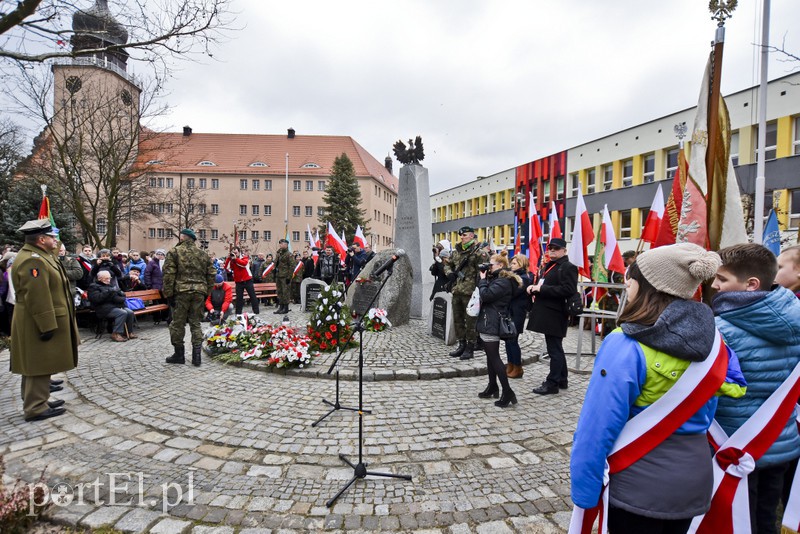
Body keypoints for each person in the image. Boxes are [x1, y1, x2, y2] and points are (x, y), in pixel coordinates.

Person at [571, 242, 746, 533]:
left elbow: (597, 426)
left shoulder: (624, 344)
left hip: (636, 482)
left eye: (633, 276)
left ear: (650, 286)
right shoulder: (715, 341)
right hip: (693, 479)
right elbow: (712, 403)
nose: (626, 281)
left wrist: (584, 494)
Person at [710, 243, 800, 534]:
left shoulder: (720, 329)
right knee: (765, 518)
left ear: (751, 284)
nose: (714, 285)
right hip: (781, 441)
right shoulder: (795, 318)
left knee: (736, 521)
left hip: (735, 447)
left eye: (722, 279)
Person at [10, 219, 79, 422]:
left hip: (39, 318)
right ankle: (35, 407)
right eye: (51, 237)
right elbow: (38, 297)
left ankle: (39, 400)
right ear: (41, 239)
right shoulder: (34, 260)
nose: (55, 240)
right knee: (38, 363)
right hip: (38, 320)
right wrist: (47, 324)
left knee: (39, 362)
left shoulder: (41, 256)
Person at [526, 237, 577, 394]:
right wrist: (534, 288)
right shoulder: (551, 265)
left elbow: (568, 289)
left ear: (564, 250)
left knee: (554, 349)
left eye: (556, 248)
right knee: (556, 348)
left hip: (556, 313)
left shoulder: (568, 267)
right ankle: (562, 379)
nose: (552, 250)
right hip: (547, 312)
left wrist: (542, 289)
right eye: (550, 248)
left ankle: (552, 383)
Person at [163, 228, 216, 366]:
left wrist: (168, 294)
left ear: (182, 238)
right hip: (199, 292)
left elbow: (169, 275)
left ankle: (179, 354)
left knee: (177, 324)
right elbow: (211, 275)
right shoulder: (203, 254)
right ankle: (196, 357)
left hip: (181, 292)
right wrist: (206, 292)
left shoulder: (174, 252)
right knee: (195, 323)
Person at [476, 251, 521, 408]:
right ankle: (492, 386)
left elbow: (486, 296)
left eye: (491, 264)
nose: (488, 267)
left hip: (492, 321)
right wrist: (483, 277)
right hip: (489, 320)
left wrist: (482, 280)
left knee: (494, 357)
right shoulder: (497, 279)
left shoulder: (502, 282)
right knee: (490, 357)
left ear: (500, 265)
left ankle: (507, 391)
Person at [444, 226, 489, 360]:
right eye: (461, 235)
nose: (462, 237)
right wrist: (450, 273)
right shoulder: (456, 252)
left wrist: (480, 289)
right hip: (457, 290)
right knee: (458, 320)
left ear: (471, 236)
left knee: (471, 322)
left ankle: (470, 347)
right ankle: (461, 345)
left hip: (471, 293)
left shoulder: (479, 253)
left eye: (465, 235)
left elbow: (484, 272)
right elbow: (447, 264)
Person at [505, 254, 533, 379]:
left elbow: (514, 292)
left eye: (514, 264)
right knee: (507, 340)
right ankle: (510, 364)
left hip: (517, 312)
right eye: (511, 263)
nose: (511, 266)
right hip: (510, 311)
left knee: (513, 340)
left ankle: (517, 367)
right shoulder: (515, 276)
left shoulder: (524, 278)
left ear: (521, 264)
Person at [88, 270, 136, 342]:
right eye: (106, 278)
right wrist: (109, 293)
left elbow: (120, 295)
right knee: (122, 313)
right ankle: (116, 333)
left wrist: (121, 297)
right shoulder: (93, 287)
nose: (108, 280)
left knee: (130, 312)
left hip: (114, 306)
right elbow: (96, 299)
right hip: (103, 308)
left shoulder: (110, 286)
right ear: (99, 278)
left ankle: (129, 332)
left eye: (109, 278)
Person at [224, 246, 259, 315]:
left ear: (239, 252)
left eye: (236, 252)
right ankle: (238, 313)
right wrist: (229, 258)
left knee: (252, 296)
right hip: (238, 281)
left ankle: (256, 311)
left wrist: (236, 259)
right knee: (239, 298)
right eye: (233, 252)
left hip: (247, 280)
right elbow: (227, 268)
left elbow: (243, 264)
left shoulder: (244, 257)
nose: (234, 254)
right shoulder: (232, 259)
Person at [274, 239, 292, 314]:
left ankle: (286, 308)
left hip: (285, 276)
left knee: (285, 292)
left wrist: (289, 277)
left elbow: (292, 266)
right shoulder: (279, 253)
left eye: (283, 244)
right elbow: (276, 263)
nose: (281, 245)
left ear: (286, 245)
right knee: (279, 292)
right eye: (280, 244)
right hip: (278, 275)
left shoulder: (289, 254)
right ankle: (281, 307)